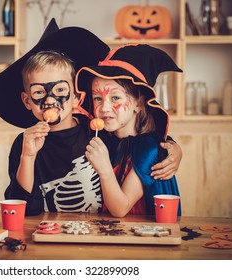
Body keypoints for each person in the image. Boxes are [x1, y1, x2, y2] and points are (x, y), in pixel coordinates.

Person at [0, 19, 181, 216]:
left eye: (60, 90)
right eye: (39, 93)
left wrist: (171, 148)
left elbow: (136, 141)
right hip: (47, 236)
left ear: (76, 98)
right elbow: (22, 210)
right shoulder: (25, 143)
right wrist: (27, 157)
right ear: (27, 101)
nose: (50, 100)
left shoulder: (98, 131)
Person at [76, 44, 182, 218]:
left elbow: (120, 208)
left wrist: (104, 169)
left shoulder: (150, 148)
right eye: (97, 98)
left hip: (144, 237)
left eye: (115, 98)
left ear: (138, 104)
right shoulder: (104, 139)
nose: (104, 108)